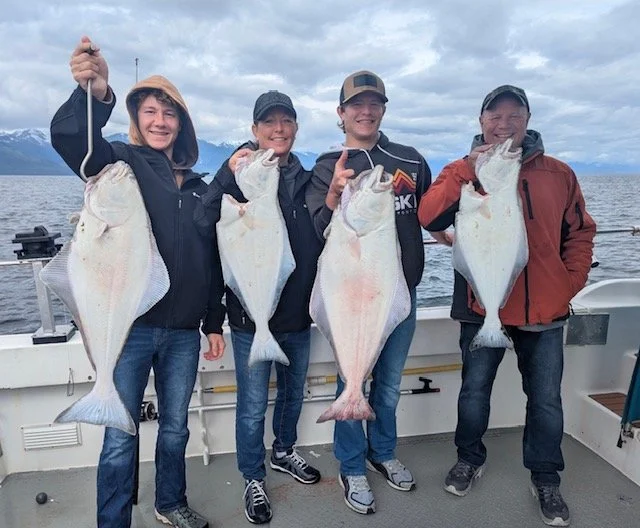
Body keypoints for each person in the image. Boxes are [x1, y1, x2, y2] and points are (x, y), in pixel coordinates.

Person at [50, 36, 226, 528]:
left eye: (169, 114)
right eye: (150, 111)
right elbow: (73, 143)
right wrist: (92, 93)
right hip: (129, 327)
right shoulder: (120, 164)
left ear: (182, 124)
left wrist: (214, 321)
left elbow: (209, 260)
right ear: (136, 117)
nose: (159, 122)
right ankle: (113, 521)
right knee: (119, 438)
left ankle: (169, 504)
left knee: (175, 431)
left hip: (184, 333)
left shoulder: (198, 187)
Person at [417, 84, 596, 527]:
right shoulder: (461, 171)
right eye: (494, 116)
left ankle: (546, 478)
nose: (504, 124)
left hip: (544, 310)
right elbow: (428, 216)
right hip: (483, 305)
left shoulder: (558, 173)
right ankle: (468, 459)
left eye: (514, 115)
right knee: (474, 391)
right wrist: (465, 169)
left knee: (546, 401)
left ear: (528, 119)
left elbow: (580, 232)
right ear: (481, 122)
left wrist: (569, 283)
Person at [305, 70, 432, 515]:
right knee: (350, 379)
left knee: (391, 386)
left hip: (397, 296)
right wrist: (335, 195)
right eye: (356, 104)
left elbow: (428, 212)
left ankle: (383, 451)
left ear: (383, 109)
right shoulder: (327, 165)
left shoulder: (410, 160)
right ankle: (352, 464)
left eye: (374, 103)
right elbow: (318, 230)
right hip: (349, 296)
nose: (365, 110)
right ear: (341, 114)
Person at [194, 90, 323, 524]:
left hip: (297, 317)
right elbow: (203, 221)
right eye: (269, 123)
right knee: (251, 406)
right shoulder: (237, 181)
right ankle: (252, 476)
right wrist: (228, 177)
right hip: (252, 317)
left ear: (296, 129)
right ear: (254, 131)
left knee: (291, 395)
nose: (278, 129)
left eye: (286, 121)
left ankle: (284, 451)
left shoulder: (307, 182)